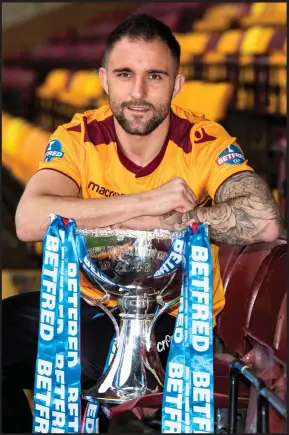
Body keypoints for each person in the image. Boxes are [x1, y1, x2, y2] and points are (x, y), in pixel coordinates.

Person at [3, 13, 281, 433]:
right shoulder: (81, 136)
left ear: (177, 83)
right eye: (124, 74)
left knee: (86, 359)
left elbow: (263, 223)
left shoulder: (202, 141)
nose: (137, 92)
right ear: (104, 79)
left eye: (154, 76)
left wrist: (179, 218)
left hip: (174, 319)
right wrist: (145, 203)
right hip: (90, 303)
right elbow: (28, 219)